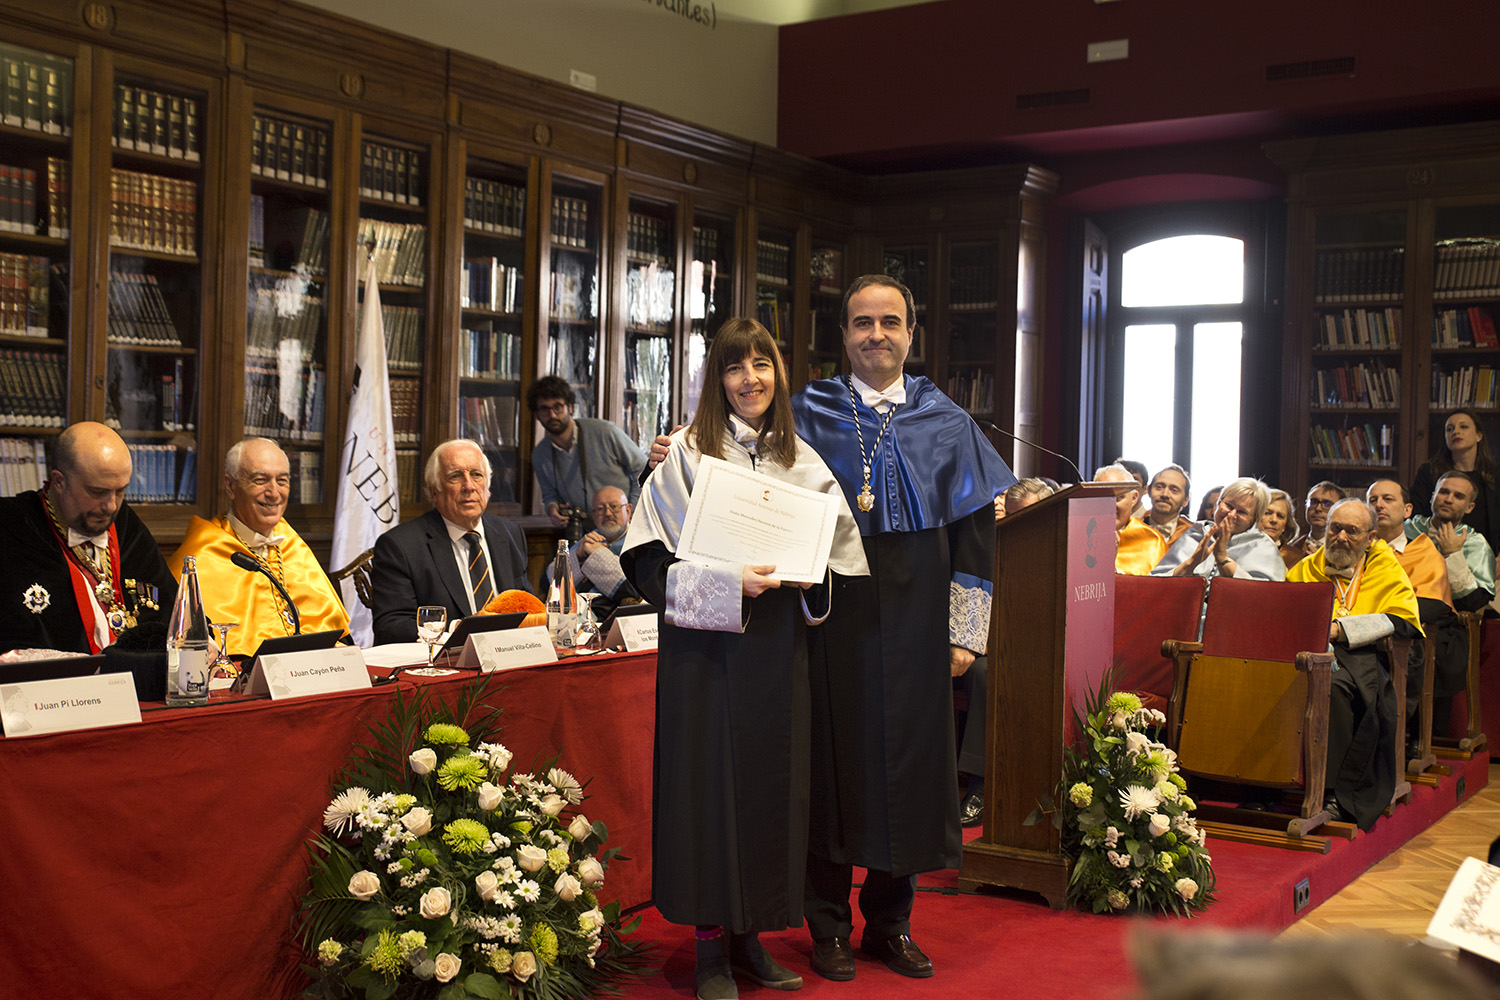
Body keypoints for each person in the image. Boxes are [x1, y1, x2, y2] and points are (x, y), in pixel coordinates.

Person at [620, 317, 869, 1000]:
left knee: (770, 792)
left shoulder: (802, 460)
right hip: (706, 657)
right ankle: (709, 951)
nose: (749, 379)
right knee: (709, 794)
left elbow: (837, 567)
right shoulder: (686, 457)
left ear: (778, 375)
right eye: (734, 367)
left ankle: (750, 939)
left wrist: (807, 577)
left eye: (761, 364)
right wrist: (729, 583)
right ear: (718, 381)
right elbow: (644, 562)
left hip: (777, 657)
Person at [790, 274, 1015, 982]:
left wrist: (966, 633)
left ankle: (891, 924)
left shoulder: (948, 422)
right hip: (831, 623)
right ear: (844, 335)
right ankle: (828, 927)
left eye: (890, 322)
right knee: (829, 773)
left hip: (920, 629)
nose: (876, 335)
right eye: (862, 323)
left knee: (908, 775)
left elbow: (976, 539)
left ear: (910, 334)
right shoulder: (805, 413)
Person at [0, 421, 177, 698]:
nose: (111, 506)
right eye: (97, 492)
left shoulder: (124, 523)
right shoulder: (12, 527)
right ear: (59, 482)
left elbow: (172, 612)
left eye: (120, 491)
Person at [1286, 498, 1420, 829]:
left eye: (1352, 531)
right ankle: (1266, 784)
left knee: (1333, 689)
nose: (1341, 537)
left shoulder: (1386, 567)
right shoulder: (1306, 568)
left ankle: (1333, 792)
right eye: (1335, 528)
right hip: (1305, 653)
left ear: (1371, 537)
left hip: (1360, 658)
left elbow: (1402, 621)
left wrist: (1341, 629)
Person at [167, 438, 349, 655]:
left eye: (282, 481)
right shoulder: (201, 555)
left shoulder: (294, 545)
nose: (274, 493)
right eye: (260, 480)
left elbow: (332, 632)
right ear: (231, 486)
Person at [957, 476, 1055, 827]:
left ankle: (982, 788)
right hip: (990, 645)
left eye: (1027, 516)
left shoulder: (1062, 548)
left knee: (987, 673)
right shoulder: (991, 547)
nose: (1018, 524)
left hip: (1043, 651)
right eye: (1013, 516)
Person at [369, 439, 531, 644]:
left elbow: (525, 606)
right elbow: (391, 625)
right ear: (434, 491)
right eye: (455, 476)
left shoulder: (509, 533)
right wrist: (458, 629)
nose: (469, 486)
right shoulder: (400, 546)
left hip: (510, 651)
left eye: (476, 475)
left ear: (487, 487)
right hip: (447, 658)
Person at [1366, 478, 1465, 750]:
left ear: (1407, 510)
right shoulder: (1357, 549)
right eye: (1372, 500)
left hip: (1400, 638)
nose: (1379, 505)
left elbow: (1431, 604)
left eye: (1388, 499)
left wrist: (1376, 621)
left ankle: (1388, 743)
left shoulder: (1422, 550)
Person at [526, 375, 645, 532]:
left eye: (557, 407)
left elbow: (643, 469)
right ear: (536, 414)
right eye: (544, 409)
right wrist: (552, 508)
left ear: (570, 407)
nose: (552, 415)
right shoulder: (540, 455)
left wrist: (632, 512)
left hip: (628, 528)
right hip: (586, 533)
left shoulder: (605, 432)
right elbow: (550, 496)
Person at [1152, 478, 1286, 581]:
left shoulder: (1264, 547)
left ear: (1254, 518)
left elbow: (1264, 598)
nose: (1231, 514)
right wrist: (1191, 563)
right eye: (1229, 505)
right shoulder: (1198, 531)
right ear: (1219, 503)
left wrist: (1222, 558)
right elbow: (1156, 583)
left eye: (1242, 512)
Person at [1405, 470, 1497, 614]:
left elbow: (1474, 603)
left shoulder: (1476, 544)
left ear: (1469, 507)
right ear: (1432, 497)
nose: (1448, 499)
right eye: (1444, 492)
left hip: (1446, 620)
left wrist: (1453, 554)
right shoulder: (1407, 529)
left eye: (1458, 496)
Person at [545, 485, 642, 618]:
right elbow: (552, 578)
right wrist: (578, 555)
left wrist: (597, 554)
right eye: (600, 509)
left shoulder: (640, 541)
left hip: (614, 617)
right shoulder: (589, 539)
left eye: (614, 507)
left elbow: (633, 589)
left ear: (628, 510)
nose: (608, 513)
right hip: (578, 611)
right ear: (593, 514)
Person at [1411, 408, 1499, 554]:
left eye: (1463, 427)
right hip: (1434, 549)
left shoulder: (1495, 474)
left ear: (1479, 435)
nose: (1455, 432)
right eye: (1449, 429)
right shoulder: (1429, 471)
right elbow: (1416, 514)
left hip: (1483, 553)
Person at [1098, 463, 1167, 575]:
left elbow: (1158, 585)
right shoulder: (1078, 536)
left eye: (1118, 498)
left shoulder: (1152, 541)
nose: (1110, 505)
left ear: (1134, 498)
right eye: (1101, 498)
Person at [1282, 481, 1345, 569]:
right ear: (1305, 507)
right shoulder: (1290, 548)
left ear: (1341, 510)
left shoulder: (1346, 548)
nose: (1318, 508)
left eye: (1327, 504)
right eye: (1313, 502)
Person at [1139, 464, 1193, 546]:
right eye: (1159, 487)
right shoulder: (1130, 529)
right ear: (1148, 491)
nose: (1165, 494)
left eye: (1174, 490)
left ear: (1186, 500)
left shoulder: (1194, 536)